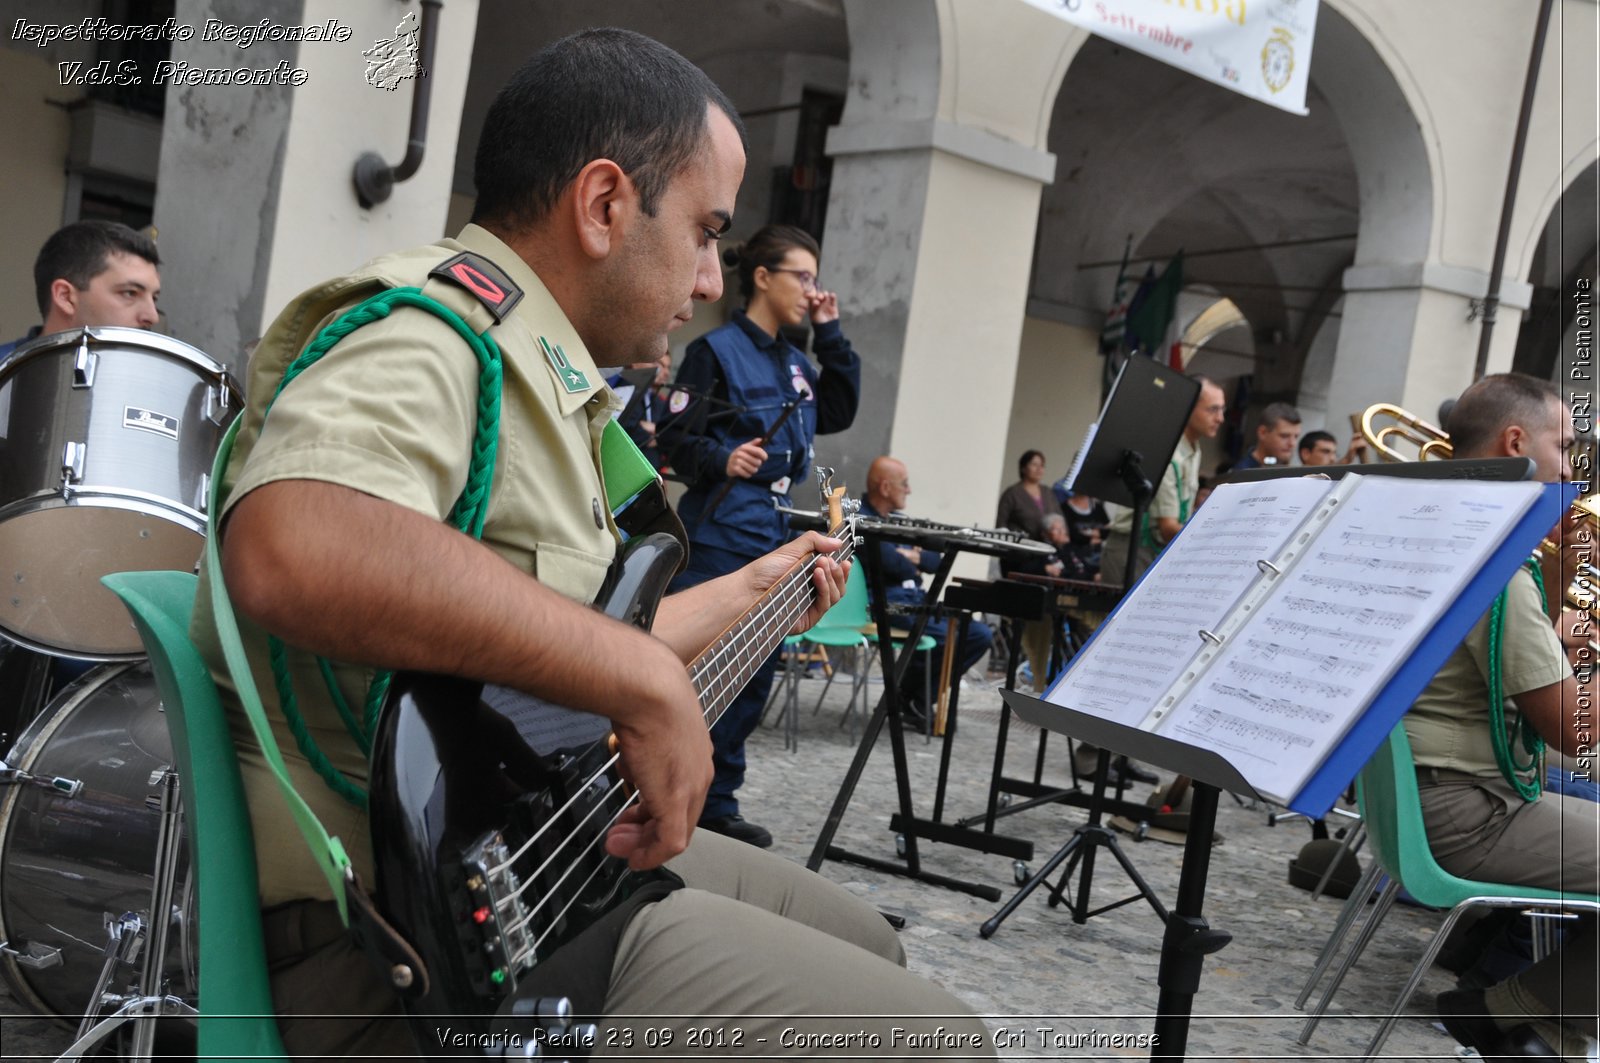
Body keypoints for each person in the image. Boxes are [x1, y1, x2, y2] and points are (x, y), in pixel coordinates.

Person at [193, 28, 987, 1058]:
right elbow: (296, 539)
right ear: (606, 205)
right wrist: (640, 681)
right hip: (402, 948)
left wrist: (753, 590)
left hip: (539, 863)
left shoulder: (532, 368)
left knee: (871, 943)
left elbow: (557, 638)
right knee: (938, 1039)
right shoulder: (438, 336)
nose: (710, 279)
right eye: (705, 232)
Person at [1400, 373, 1597, 1060]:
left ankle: (1527, 1015)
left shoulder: (1436, 524)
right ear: (1517, 441)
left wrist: (1565, 614)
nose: (1573, 469)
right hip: (1467, 808)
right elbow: (1575, 730)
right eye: (1566, 448)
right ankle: (1522, 1014)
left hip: (1434, 792)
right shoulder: (1493, 557)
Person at [661, 223, 861, 848]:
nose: (812, 289)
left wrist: (829, 334)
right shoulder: (714, 352)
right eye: (802, 276)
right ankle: (668, 790)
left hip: (772, 530)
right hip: (719, 528)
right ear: (763, 277)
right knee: (702, 664)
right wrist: (722, 458)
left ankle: (717, 801)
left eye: (815, 278)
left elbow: (838, 411)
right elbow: (673, 440)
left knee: (753, 672)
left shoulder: (797, 362)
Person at [859, 456, 994, 723]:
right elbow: (890, 561)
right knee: (946, 636)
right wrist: (910, 556)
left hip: (915, 599)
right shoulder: (860, 519)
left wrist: (911, 556)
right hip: (885, 603)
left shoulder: (900, 520)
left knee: (977, 633)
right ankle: (910, 698)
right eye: (905, 484)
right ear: (886, 487)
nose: (909, 490)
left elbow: (936, 559)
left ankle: (912, 696)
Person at [1100, 375, 1226, 586]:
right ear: (1187, 408)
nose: (1220, 418)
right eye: (1212, 409)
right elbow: (1168, 528)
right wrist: (1214, 544)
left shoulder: (1193, 448)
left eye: (1223, 410)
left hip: (1156, 550)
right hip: (1132, 551)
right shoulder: (1167, 452)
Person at [0, 220, 162, 362]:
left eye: (154, 298)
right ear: (66, 297)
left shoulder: (157, 387)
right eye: (130, 293)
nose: (152, 317)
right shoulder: (4, 372)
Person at [1229, 401, 1301, 472]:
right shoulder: (1242, 475)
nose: (1292, 443)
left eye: (1296, 436)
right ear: (1262, 433)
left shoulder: (1286, 471)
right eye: (1284, 436)